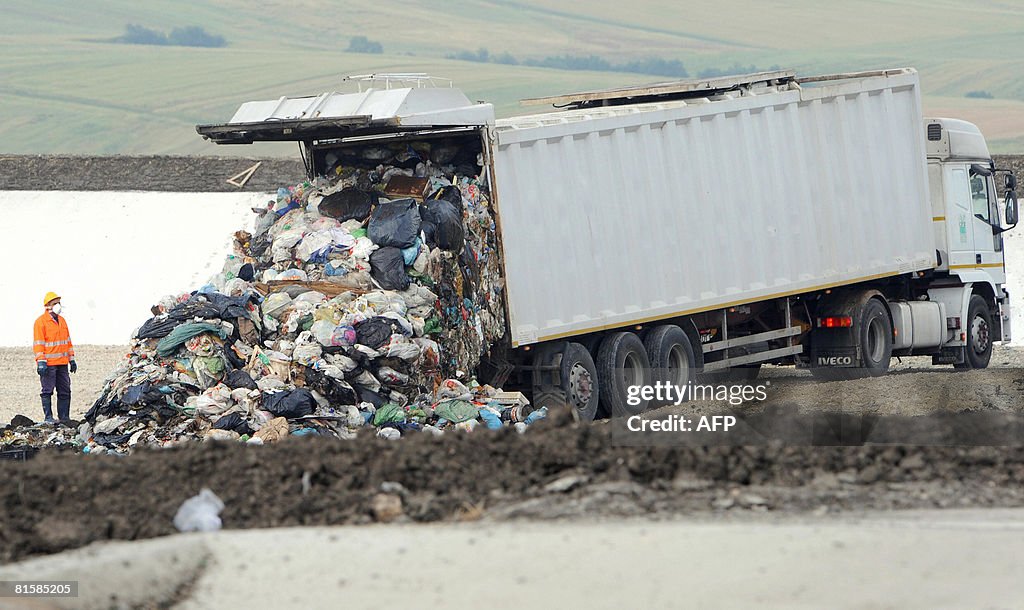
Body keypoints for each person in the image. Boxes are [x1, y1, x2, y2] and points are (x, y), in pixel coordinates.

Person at [33, 292, 77, 424]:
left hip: (62, 363)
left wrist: (72, 359)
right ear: (47, 306)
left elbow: (67, 342)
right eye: (55, 303)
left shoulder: (62, 321)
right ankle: (48, 417)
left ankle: (64, 418)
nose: (58, 305)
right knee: (47, 391)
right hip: (49, 364)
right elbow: (38, 344)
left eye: (58, 302)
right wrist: (41, 362)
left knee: (65, 391)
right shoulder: (40, 322)